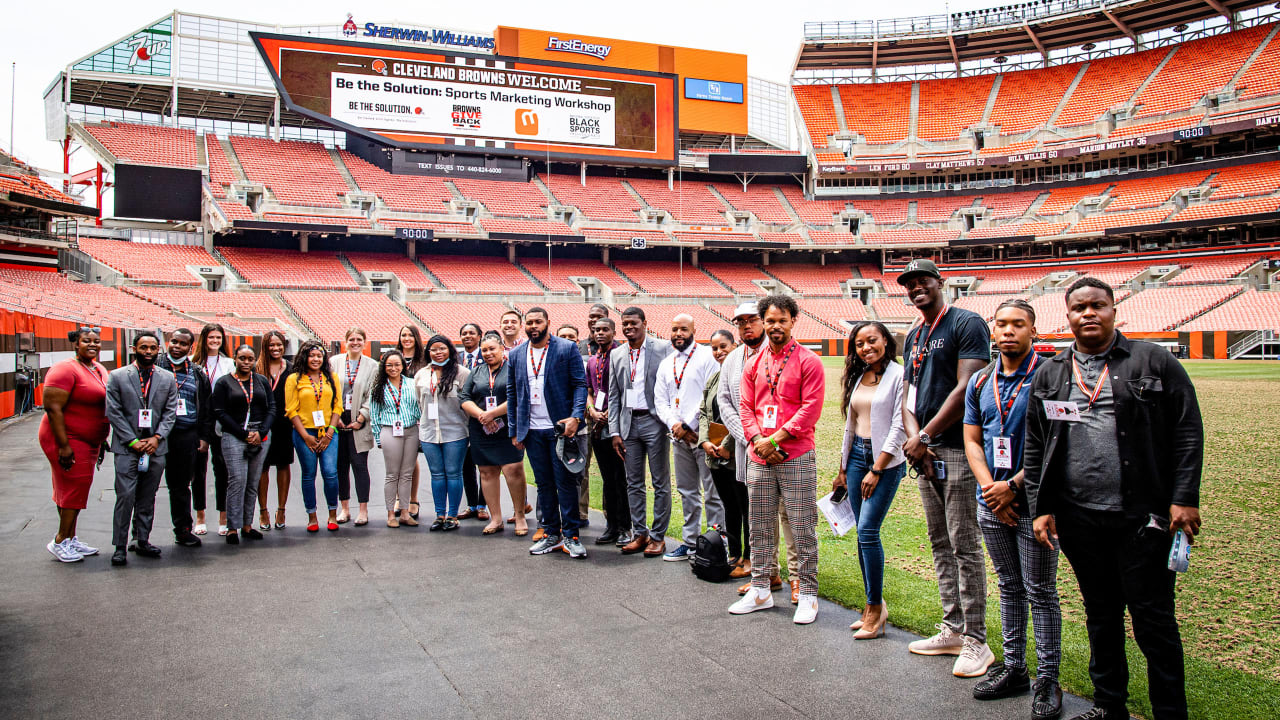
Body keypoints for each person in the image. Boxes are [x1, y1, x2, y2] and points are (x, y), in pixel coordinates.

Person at [1025, 278, 1203, 720]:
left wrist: (1184, 496)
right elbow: (1035, 443)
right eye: (1079, 308)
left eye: (1097, 306)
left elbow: (1187, 431)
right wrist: (1041, 505)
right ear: (1067, 316)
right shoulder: (1051, 372)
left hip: (1143, 517)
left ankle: (1170, 711)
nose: (1088, 314)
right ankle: (1109, 706)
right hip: (1079, 516)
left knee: (1153, 621)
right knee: (1100, 614)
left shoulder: (1153, 360)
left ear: (1113, 310)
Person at [962, 299, 1063, 718]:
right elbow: (972, 439)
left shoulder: (1049, 376)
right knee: (1008, 585)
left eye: (1017, 324)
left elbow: (1059, 440)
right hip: (992, 501)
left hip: (1035, 503)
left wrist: (1012, 486)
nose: (1008, 332)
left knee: (1040, 590)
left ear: (1032, 330)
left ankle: (1048, 678)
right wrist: (990, 489)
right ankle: (1015, 668)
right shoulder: (982, 380)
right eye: (1001, 324)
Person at [898, 258, 996, 677]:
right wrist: (914, 437)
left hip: (954, 449)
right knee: (940, 543)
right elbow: (909, 392)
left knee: (964, 546)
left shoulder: (965, 323)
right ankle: (952, 628)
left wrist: (926, 437)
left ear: (941, 283)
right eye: (909, 284)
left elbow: (967, 386)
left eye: (923, 281)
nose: (916, 288)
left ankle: (977, 640)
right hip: (925, 454)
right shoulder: (915, 335)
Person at [728, 295, 825, 624]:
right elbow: (746, 406)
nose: (775, 326)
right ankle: (760, 589)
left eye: (781, 320)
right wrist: (757, 439)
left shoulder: (808, 361)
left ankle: (808, 594)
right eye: (770, 321)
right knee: (759, 525)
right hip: (759, 455)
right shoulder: (753, 363)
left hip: (795, 454)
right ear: (763, 323)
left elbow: (810, 409)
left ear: (793, 321)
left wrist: (776, 439)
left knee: (802, 527)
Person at [835, 321, 908, 640]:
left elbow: (899, 427)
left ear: (885, 341)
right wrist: (841, 469)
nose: (866, 347)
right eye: (860, 343)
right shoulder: (857, 376)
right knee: (860, 535)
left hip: (885, 461)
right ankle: (870, 604)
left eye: (872, 340)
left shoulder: (900, 375)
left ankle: (876, 609)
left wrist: (877, 469)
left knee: (867, 530)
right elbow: (850, 425)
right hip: (855, 458)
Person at [719, 302, 793, 594]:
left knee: (789, 515)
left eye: (752, 320)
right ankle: (765, 573)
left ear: (764, 322)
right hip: (748, 448)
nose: (746, 326)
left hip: (784, 447)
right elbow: (726, 402)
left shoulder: (781, 354)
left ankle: (798, 578)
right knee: (758, 515)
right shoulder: (734, 359)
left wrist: (772, 442)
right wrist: (751, 439)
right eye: (740, 322)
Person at [507, 307, 588, 557]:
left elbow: (579, 384)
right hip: (532, 430)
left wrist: (576, 417)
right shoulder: (517, 354)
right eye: (529, 322)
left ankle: (572, 535)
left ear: (547, 323)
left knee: (564, 483)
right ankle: (551, 533)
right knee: (543, 484)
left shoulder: (566, 348)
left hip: (559, 429)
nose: (533, 326)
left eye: (538, 322)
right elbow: (512, 392)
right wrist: (514, 430)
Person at [105, 331, 178, 567]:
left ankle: (142, 539)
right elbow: (113, 412)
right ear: (134, 348)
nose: (148, 352)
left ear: (159, 350)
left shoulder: (167, 378)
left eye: (153, 348)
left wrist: (157, 437)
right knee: (125, 496)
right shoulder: (117, 376)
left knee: (148, 496)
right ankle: (119, 545)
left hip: (156, 447)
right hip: (128, 448)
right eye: (143, 347)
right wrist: (133, 441)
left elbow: (170, 411)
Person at [654, 313, 724, 561]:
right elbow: (660, 401)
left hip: (703, 436)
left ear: (694, 330)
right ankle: (690, 541)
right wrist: (675, 425)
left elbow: (709, 395)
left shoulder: (706, 357)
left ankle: (718, 542)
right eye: (674, 329)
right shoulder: (667, 363)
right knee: (687, 491)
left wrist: (689, 425)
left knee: (712, 493)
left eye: (683, 329)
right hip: (679, 438)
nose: (678, 334)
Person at [39, 326, 112, 562]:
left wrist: (100, 440)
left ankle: (70, 538)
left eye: (97, 341)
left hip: (88, 440)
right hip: (67, 438)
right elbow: (53, 408)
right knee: (73, 488)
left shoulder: (97, 368)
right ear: (75, 344)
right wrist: (64, 445)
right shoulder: (64, 369)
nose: (92, 344)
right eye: (86, 341)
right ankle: (60, 540)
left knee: (73, 488)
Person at [608, 307, 674, 557]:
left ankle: (658, 536)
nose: (628, 327)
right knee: (633, 482)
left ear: (645, 323)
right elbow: (614, 396)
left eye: (633, 323)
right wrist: (615, 431)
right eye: (625, 324)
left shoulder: (663, 348)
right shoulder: (617, 354)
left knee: (660, 482)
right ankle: (640, 533)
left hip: (654, 421)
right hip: (628, 424)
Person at [460, 331, 528, 536]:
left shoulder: (513, 369)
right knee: (487, 473)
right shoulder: (477, 371)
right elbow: (464, 397)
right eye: (484, 350)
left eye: (492, 349)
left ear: (501, 349)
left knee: (513, 470)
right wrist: (482, 415)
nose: (488, 353)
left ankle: (520, 516)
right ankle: (496, 518)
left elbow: (518, 396)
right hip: (481, 430)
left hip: (507, 428)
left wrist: (493, 414)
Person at [211, 344, 274, 545]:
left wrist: (261, 432)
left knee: (253, 481)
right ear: (235, 359)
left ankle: (247, 525)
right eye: (242, 358)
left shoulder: (261, 381)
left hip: (260, 434)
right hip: (235, 434)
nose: (246, 362)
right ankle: (232, 527)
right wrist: (243, 434)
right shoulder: (224, 383)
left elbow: (272, 407)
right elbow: (219, 411)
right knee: (237, 480)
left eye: (250, 359)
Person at [156, 328, 213, 548]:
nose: (177, 346)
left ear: (191, 348)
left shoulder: (197, 373)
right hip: (158, 435)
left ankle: (183, 530)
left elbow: (206, 407)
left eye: (183, 344)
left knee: (180, 486)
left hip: (186, 434)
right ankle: (139, 535)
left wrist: (204, 436)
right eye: (174, 342)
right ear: (169, 342)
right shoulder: (156, 367)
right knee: (146, 486)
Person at [285, 341, 344, 533]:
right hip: (305, 432)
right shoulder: (294, 379)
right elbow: (291, 410)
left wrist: (329, 433)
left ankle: (333, 514)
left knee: (330, 472)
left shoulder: (331, 377)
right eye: (312, 356)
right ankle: (312, 516)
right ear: (304, 357)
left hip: (328, 431)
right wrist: (305, 436)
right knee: (309, 475)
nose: (316, 359)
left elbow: (338, 406)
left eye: (319, 356)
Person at [699, 329, 746, 567]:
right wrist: (705, 441)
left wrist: (727, 445)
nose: (718, 352)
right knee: (729, 506)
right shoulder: (714, 378)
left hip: (736, 453)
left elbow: (741, 414)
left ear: (735, 346)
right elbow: (703, 412)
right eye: (714, 348)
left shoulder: (743, 374)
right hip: (714, 453)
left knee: (744, 507)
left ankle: (749, 558)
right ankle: (734, 555)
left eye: (723, 347)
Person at [417, 334, 472, 531]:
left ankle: (452, 515)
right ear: (428, 352)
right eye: (434, 349)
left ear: (449, 349)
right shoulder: (421, 374)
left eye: (442, 348)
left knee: (453, 473)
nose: (438, 353)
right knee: (437, 474)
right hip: (429, 432)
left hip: (455, 432)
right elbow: (419, 402)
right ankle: (439, 514)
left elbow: (468, 401)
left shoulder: (462, 373)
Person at [585, 317, 627, 545]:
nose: (600, 333)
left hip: (617, 424)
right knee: (608, 479)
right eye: (596, 330)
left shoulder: (620, 356)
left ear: (613, 331)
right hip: (598, 425)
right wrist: (592, 410)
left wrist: (611, 411)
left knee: (622, 478)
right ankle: (611, 526)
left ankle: (625, 526)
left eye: (605, 330)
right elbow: (589, 390)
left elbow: (625, 390)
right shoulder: (593, 360)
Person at [369, 351, 421, 528]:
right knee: (392, 474)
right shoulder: (378, 387)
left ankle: (405, 512)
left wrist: (416, 421)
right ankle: (391, 513)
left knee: (407, 474)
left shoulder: (412, 384)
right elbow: (374, 414)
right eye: (389, 365)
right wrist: (378, 437)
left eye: (397, 364)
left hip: (411, 430)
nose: (393, 368)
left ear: (403, 366)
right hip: (390, 430)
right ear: (384, 367)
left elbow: (418, 406)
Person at [191, 323, 234, 536]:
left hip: (221, 423)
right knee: (198, 472)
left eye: (218, 337)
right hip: (198, 423)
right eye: (211, 338)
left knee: (222, 470)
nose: (215, 341)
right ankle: (200, 515)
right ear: (204, 339)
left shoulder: (229, 364)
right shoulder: (192, 363)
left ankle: (223, 516)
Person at [330, 328, 374, 526]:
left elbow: (372, 395)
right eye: (351, 339)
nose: (355, 342)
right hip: (337, 418)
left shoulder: (373, 365)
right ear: (345, 341)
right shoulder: (334, 362)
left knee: (359, 466)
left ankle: (363, 510)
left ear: (364, 342)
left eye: (359, 339)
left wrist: (362, 417)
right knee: (340, 467)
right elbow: (330, 391)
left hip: (359, 419)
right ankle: (345, 508)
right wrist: (335, 417)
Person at [257, 330, 293, 529]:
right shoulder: (257, 368)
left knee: (283, 465)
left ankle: (281, 510)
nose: (276, 348)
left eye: (279, 344)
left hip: (284, 424)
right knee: (261, 467)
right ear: (265, 346)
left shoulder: (291, 369)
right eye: (271, 345)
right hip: (262, 424)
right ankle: (263, 511)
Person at [456, 322, 488, 522]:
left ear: (479, 336)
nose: (467, 336)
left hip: (483, 415)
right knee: (466, 466)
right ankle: (472, 505)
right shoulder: (455, 359)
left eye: (471, 333)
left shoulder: (486, 355)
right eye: (464, 333)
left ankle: (484, 505)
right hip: (461, 417)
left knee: (484, 465)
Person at [397, 323, 426, 520]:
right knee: (398, 459)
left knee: (411, 458)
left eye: (410, 335)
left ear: (416, 338)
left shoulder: (423, 361)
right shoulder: (392, 357)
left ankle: (413, 499)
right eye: (403, 335)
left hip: (417, 415)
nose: (406, 339)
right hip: (397, 416)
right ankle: (401, 498)